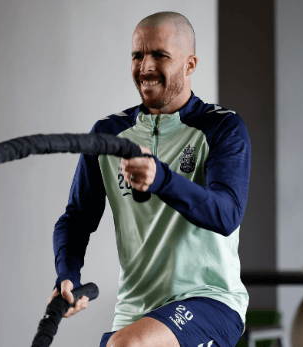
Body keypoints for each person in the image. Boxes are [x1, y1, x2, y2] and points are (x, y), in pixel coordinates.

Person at [48, 11, 251, 347]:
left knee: (126, 346)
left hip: (211, 301)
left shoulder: (222, 127)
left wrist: (163, 180)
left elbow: (226, 214)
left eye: (160, 55)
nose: (145, 67)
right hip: (134, 312)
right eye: (138, 55)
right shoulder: (109, 134)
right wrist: (67, 275)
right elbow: (76, 219)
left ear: (190, 64)